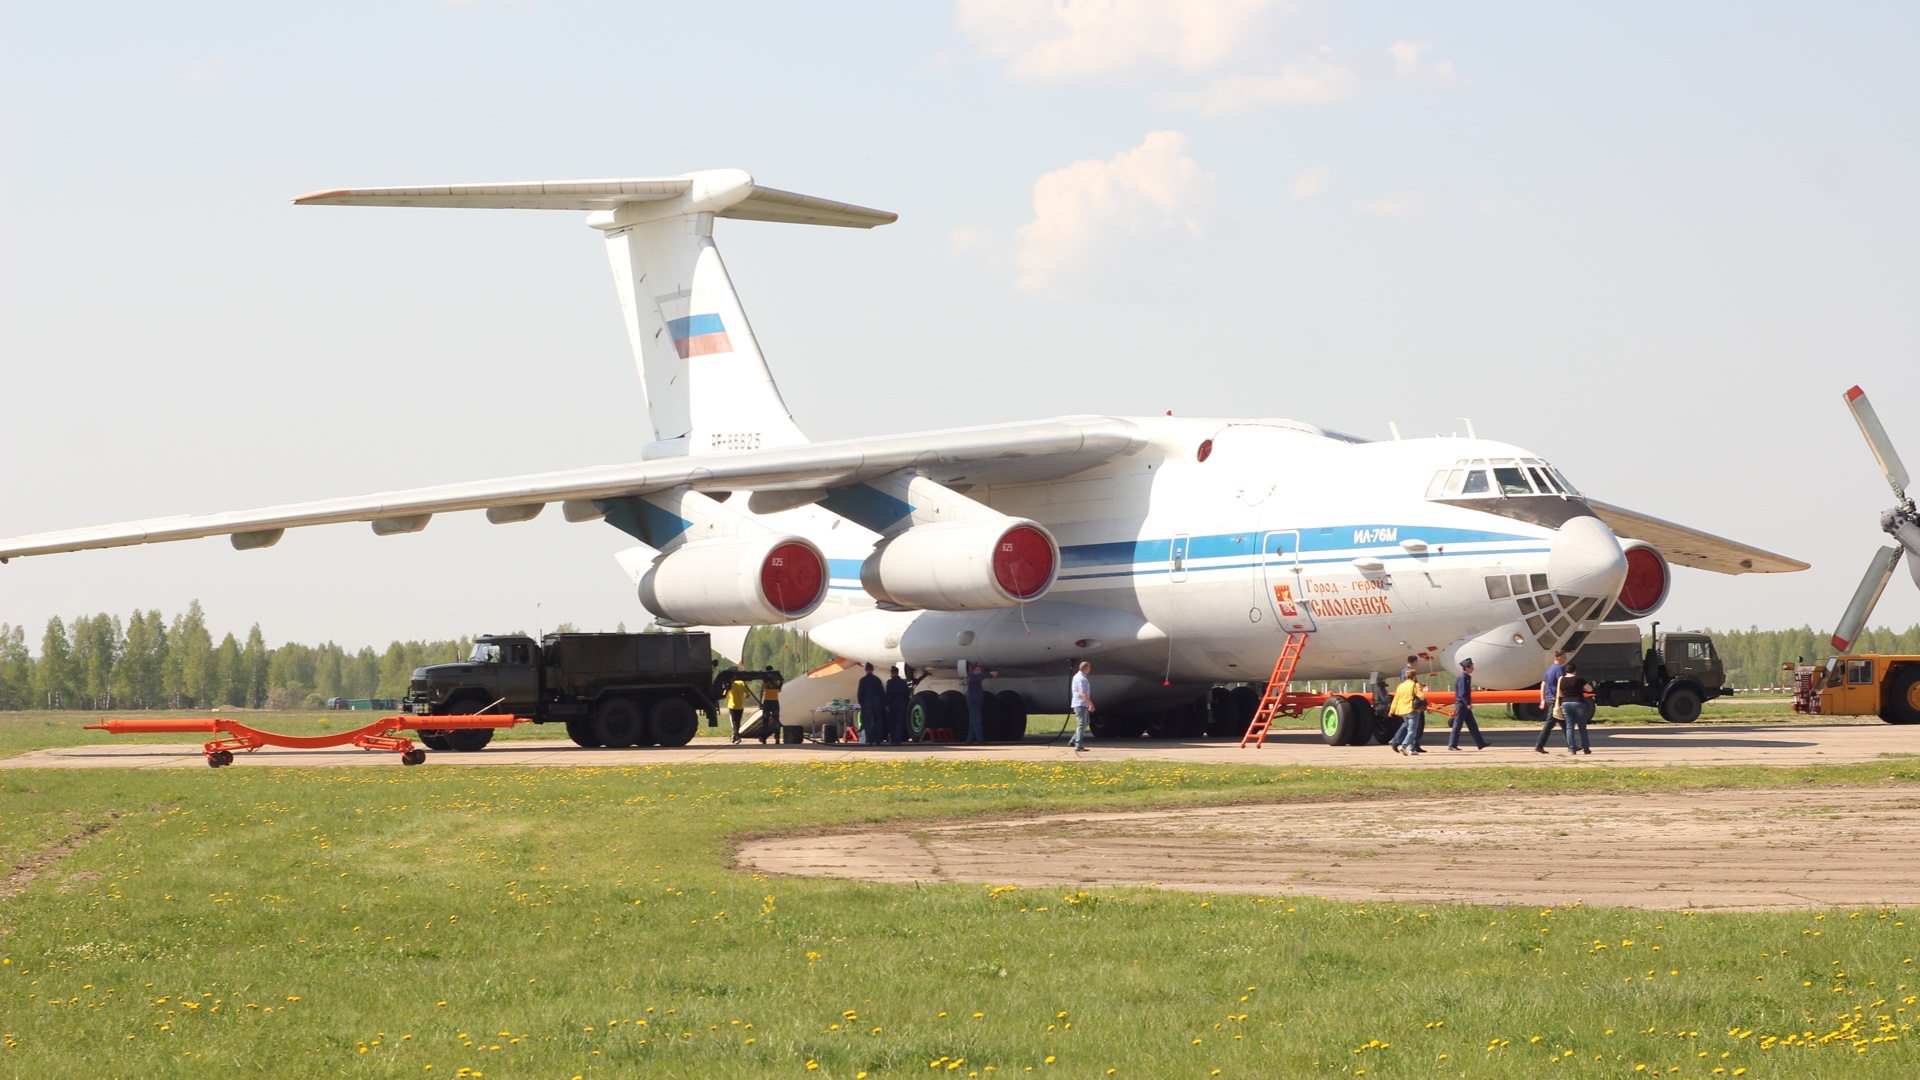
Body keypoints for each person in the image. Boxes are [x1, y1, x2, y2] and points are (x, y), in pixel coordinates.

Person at [1534, 649, 1569, 754]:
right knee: (1550, 723)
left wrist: (1542, 699)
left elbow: (1543, 684)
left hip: (1550, 698)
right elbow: (1560, 684)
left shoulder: (1549, 668)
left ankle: (1572, 745)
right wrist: (1563, 696)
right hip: (1556, 700)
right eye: (1564, 656)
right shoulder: (1559, 669)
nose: (1565, 658)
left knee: (1564, 723)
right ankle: (1539, 745)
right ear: (1559, 658)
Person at [1449, 658, 1488, 750]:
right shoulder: (1463, 677)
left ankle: (1480, 743)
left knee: (1472, 725)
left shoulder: (1466, 677)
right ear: (1466, 668)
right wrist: (1467, 704)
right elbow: (1462, 693)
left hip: (1464, 705)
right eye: (1471, 667)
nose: (1473, 669)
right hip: (1462, 705)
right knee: (1457, 725)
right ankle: (1452, 745)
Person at [1558, 661, 1595, 755]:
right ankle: (1586, 749)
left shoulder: (1561, 679)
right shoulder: (1579, 679)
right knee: (1582, 727)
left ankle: (1572, 749)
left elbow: (1559, 694)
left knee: (1569, 727)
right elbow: (1589, 689)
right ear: (1575, 670)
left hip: (1566, 704)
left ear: (1566, 671)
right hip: (1578, 703)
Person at [1388, 673, 1428, 754]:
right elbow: (1421, 696)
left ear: (1406, 677)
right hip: (1412, 709)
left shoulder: (1401, 686)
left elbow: (1396, 699)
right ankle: (1404, 746)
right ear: (1414, 676)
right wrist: (1420, 688)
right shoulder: (1415, 685)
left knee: (1409, 729)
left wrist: (1391, 710)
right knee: (1412, 731)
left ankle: (1412, 749)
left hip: (1403, 711)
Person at [963, 662, 997, 744]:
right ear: (973, 670)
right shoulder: (973, 679)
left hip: (976, 702)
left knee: (973, 722)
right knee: (977, 720)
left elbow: (980, 676)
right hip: (973, 702)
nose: (979, 671)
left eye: (980, 670)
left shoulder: (976, 678)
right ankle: (980, 739)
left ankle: (969, 740)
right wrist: (990, 674)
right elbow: (980, 677)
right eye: (978, 669)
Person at [856, 662, 885, 745]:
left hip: (867, 702)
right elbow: (882, 692)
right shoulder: (877, 680)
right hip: (877, 702)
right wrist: (882, 703)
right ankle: (878, 739)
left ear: (865, 670)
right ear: (872, 669)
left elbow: (860, 693)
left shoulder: (863, 680)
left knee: (867, 721)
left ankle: (869, 740)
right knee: (878, 721)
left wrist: (862, 703)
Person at [1069, 661, 1094, 752]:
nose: (1090, 669)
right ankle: (1078, 745)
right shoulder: (1081, 678)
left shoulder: (1081, 677)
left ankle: (1074, 740)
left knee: (1086, 722)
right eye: (1089, 667)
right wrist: (1090, 704)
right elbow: (1082, 693)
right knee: (1081, 723)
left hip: (1082, 703)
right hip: (1080, 703)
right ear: (1086, 668)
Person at [884, 664, 912, 744]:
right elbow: (907, 694)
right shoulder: (903, 683)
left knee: (892, 723)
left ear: (892, 673)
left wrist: (886, 705)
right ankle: (898, 739)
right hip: (901, 706)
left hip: (892, 706)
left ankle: (893, 738)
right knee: (900, 723)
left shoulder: (890, 683)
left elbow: (888, 694)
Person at [725, 678, 749, 743]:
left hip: (732, 705)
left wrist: (728, 699)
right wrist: (742, 699)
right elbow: (748, 694)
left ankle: (737, 736)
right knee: (738, 722)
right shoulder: (741, 683)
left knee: (734, 721)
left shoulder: (730, 685)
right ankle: (735, 736)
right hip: (740, 706)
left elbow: (725, 695)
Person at [760, 672, 782, 744]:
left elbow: (762, 690)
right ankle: (777, 738)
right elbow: (779, 690)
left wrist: (761, 702)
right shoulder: (777, 681)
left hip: (767, 702)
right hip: (775, 701)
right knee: (776, 720)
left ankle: (764, 738)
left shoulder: (764, 681)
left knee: (765, 721)